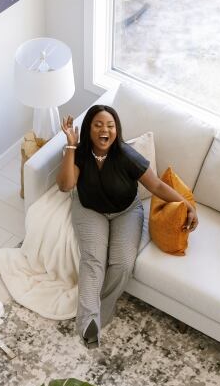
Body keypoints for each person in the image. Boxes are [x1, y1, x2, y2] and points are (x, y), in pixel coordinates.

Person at [57, 105, 198, 347]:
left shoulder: (127, 156)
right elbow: (65, 185)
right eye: (98, 125)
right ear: (89, 129)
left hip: (126, 211)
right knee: (93, 260)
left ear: (116, 130)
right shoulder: (79, 153)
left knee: (122, 264)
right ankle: (87, 324)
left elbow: (156, 187)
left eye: (110, 126)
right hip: (90, 209)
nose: (105, 130)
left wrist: (187, 204)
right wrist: (71, 144)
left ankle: (101, 312)